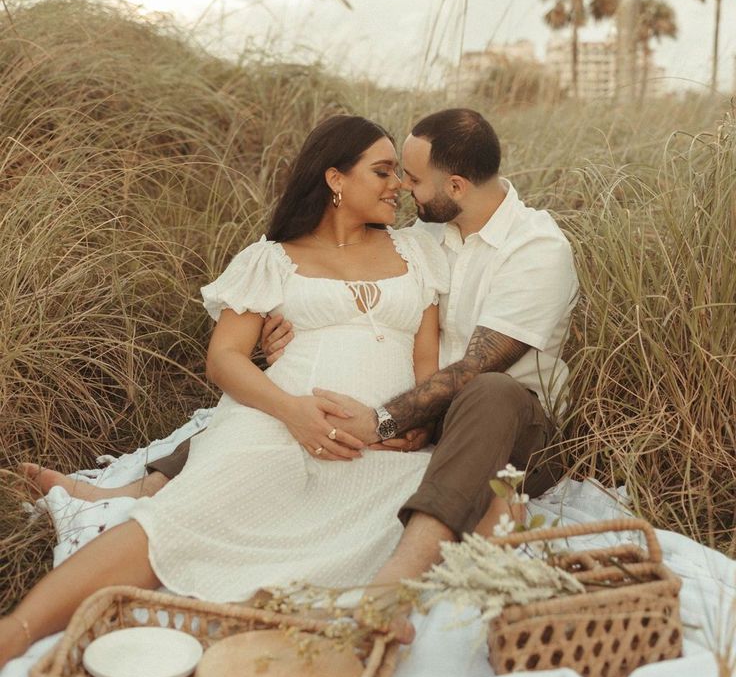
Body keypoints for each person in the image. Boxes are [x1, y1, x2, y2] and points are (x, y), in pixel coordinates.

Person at [18, 108, 579, 646]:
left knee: (488, 395)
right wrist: (280, 355)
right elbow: (250, 347)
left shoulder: (532, 250)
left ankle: (399, 579)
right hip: (378, 414)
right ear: (334, 179)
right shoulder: (422, 235)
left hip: (496, 418)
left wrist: (399, 418)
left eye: (407, 176)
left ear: (455, 186)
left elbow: (469, 366)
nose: (402, 188)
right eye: (389, 173)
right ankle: (105, 531)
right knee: (232, 458)